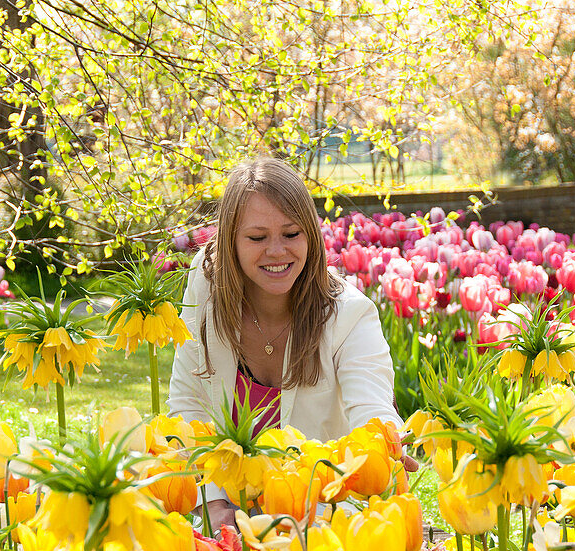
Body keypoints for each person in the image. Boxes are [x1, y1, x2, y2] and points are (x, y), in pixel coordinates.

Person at [168, 157, 412, 531]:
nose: (277, 251)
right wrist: (214, 504)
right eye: (257, 237)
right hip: (225, 516)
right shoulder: (207, 284)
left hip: (317, 518)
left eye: (291, 233)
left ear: (310, 236)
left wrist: (386, 447)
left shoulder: (348, 314)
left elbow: (372, 411)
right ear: (230, 240)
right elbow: (188, 404)